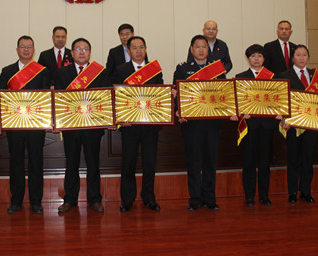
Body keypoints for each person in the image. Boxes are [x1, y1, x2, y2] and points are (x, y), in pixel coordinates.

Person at [0, 35, 51, 215]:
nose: (26, 49)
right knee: (16, 162)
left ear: (34, 50)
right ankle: (16, 201)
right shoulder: (7, 71)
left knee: (36, 162)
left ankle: (36, 201)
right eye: (23, 46)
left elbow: (45, 97)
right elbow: (0, 97)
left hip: (36, 125)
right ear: (17, 49)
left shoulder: (42, 71)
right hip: (15, 126)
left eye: (29, 47)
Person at [56, 38, 110, 214]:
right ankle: (70, 199)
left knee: (93, 163)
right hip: (71, 128)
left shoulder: (100, 73)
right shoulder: (62, 73)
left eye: (85, 49)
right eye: (78, 49)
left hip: (92, 128)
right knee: (71, 163)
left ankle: (95, 199)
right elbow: (59, 99)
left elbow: (105, 99)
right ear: (72, 53)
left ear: (90, 53)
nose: (82, 52)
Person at [174, 35, 224, 211]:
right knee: (194, 162)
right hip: (192, 124)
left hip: (213, 123)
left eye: (204, 46)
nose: (201, 50)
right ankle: (195, 198)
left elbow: (224, 94)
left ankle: (210, 198)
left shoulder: (217, 69)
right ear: (191, 49)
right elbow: (176, 94)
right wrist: (178, 110)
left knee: (210, 162)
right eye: (197, 46)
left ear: (208, 49)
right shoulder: (183, 69)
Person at [112, 36, 162, 212]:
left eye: (141, 47)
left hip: (150, 125)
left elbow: (159, 95)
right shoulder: (121, 70)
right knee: (128, 163)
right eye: (134, 48)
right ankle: (127, 199)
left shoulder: (154, 70)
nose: (138, 51)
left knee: (150, 163)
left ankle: (149, 198)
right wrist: (121, 117)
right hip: (130, 126)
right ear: (128, 51)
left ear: (146, 49)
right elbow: (117, 97)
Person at [233, 44, 280, 206]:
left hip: (267, 125)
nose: (256, 59)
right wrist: (241, 112)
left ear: (264, 59)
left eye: (260, 56)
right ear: (248, 59)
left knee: (265, 162)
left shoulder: (273, 77)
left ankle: (264, 196)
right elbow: (236, 101)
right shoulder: (240, 77)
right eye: (253, 56)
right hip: (249, 125)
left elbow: (278, 100)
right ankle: (249, 195)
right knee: (248, 162)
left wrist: (279, 113)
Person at [278, 45, 318, 204]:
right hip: (293, 124)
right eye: (298, 55)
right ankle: (292, 192)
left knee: (308, 158)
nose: (302, 58)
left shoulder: (315, 76)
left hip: (311, 123)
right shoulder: (284, 75)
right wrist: (284, 118)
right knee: (293, 158)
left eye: (304, 55)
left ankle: (306, 191)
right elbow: (281, 98)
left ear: (308, 57)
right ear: (293, 58)